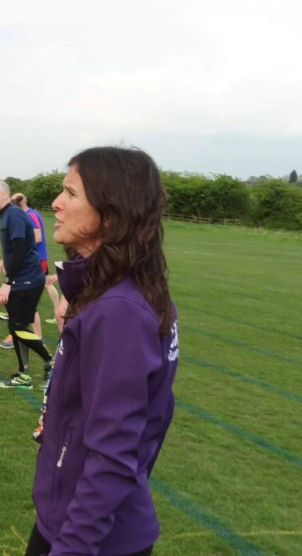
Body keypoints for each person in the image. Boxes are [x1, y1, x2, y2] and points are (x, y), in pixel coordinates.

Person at [27, 146, 178, 556]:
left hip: (91, 538)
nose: (56, 203)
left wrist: (73, 546)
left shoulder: (119, 311)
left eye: (71, 194)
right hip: (69, 519)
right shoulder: (113, 296)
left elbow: (114, 448)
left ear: (110, 215)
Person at [0, 179, 54, 389]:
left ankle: (52, 363)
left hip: (27, 279)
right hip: (24, 278)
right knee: (17, 327)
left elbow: (19, 249)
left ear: (6, 194)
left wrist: (8, 282)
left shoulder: (13, 214)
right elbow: (12, 251)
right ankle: (24, 375)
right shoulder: (7, 214)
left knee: (17, 327)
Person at [0, 193, 49, 350]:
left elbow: (37, 237)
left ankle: (35, 337)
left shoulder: (29, 215)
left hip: (35, 260)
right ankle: (20, 330)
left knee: (29, 302)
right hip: (25, 262)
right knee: (23, 302)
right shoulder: (18, 215)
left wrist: (20, 237)